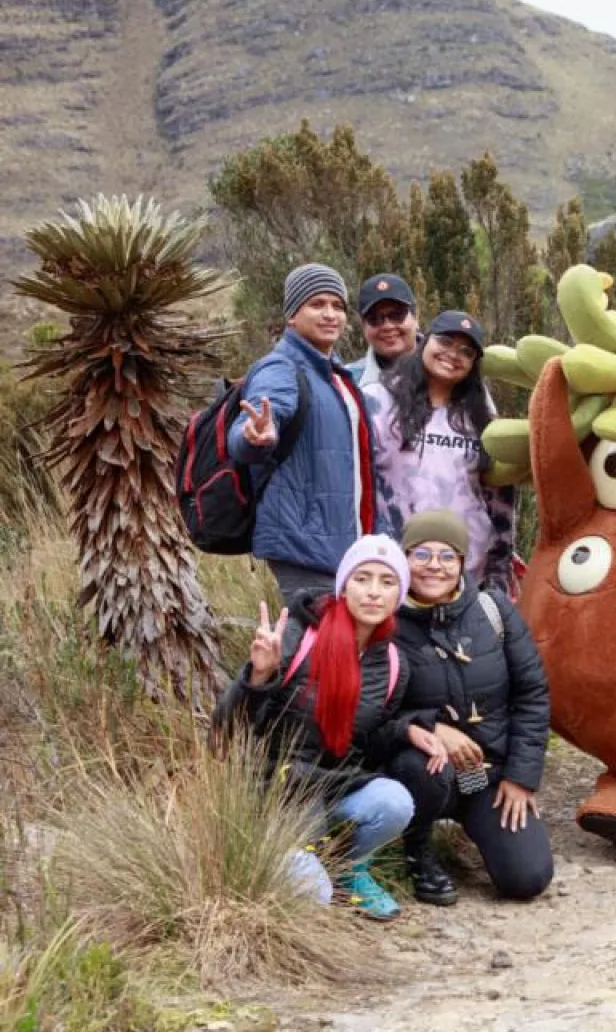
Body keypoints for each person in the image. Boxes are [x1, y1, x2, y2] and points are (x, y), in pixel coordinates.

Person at [224, 535, 428, 920]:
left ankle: (349, 869)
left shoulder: (393, 664)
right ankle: (307, 864)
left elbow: (367, 742)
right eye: (362, 578)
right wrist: (257, 677)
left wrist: (407, 730)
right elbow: (226, 731)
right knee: (313, 894)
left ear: (399, 595)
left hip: (330, 786)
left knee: (395, 801)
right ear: (343, 585)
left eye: (387, 583)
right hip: (274, 792)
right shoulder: (296, 639)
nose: (373, 592)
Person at [383, 511, 554, 905]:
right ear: (404, 557)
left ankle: (480, 824)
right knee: (419, 767)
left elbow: (532, 694)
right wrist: (430, 727)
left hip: (488, 776)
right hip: (427, 770)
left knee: (527, 877)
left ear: (462, 562)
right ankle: (417, 848)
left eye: (447, 556)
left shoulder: (493, 611)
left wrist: (521, 777)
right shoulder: (385, 622)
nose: (434, 566)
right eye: (421, 553)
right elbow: (373, 710)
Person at [230, 263, 378, 604]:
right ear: (292, 316)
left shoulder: (335, 375)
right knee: (312, 653)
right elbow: (250, 429)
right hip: (304, 547)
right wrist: (254, 436)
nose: (330, 315)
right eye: (317, 304)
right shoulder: (281, 368)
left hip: (340, 546)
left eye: (338, 306)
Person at [363, 311, 516, 593]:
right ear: (425, 341)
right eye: (445, 342)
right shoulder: (378, 400)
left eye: (466, 351)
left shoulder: (481, 416)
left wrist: (500, 572)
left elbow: (499, 498)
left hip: (467, 574)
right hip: (394, 569)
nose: (453, 355)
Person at [347, 273, 420, 389]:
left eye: (397, 315)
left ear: (416, 316)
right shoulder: (347, 382)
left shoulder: (448, 372)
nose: (387, 326)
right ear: (363, 326)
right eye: (374, 319)